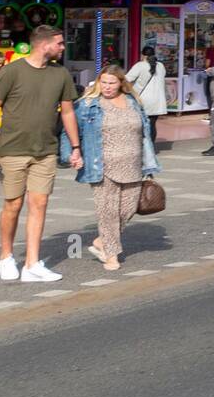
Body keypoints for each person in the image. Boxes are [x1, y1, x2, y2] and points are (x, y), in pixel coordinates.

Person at [0, 25, 82, 283]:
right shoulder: (12, 71)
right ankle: (6, 257)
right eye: (59, 43)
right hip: (13, 150)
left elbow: (68, 112)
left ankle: (32, 264)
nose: (62, 47)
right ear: (44, 44)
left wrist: (75, 147)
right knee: (13, 205)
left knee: (40, 203)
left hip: (45, 151)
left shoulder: (61, 74)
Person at [61, 66, 160, 272]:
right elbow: (68, 130)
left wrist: (148, 161)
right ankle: (111, 254)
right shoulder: (88, 104)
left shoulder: (133, 102)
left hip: (133, 165)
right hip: (102, 165)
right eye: (103, 82)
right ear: (98, 83)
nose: (107, 87)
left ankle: (101, 240)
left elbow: (145, 134)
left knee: (129, 208)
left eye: (112, 83)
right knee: (108, 212)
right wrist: (73, 153)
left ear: (121, 83)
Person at [126, 46, 168, 139]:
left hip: (144, 100)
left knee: (141, 125)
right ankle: (151, 148)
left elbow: (127, 79)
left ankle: (143, 147)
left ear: (143, 55)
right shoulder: (161, 66)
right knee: (152, 125)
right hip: (158, 100)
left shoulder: (140, 65)